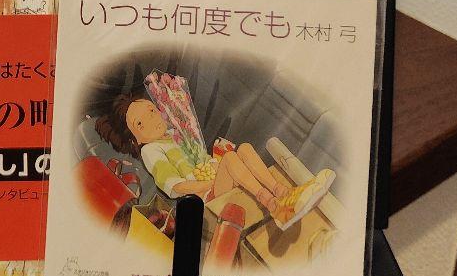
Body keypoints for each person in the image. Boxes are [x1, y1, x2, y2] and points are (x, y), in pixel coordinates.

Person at [96, 91, 334, 228]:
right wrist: (210, 180)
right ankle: (273, 205)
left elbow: (199, 162)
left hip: (214, 181)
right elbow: (175, 187)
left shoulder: (173, 135)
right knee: (231, 160)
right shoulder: (151, 151)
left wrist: (214, 159)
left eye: (151, 110)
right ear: (135, 139)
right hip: (205, 202)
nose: (151, 119)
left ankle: (282, 193)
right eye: (140, 123)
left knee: (245, 149)